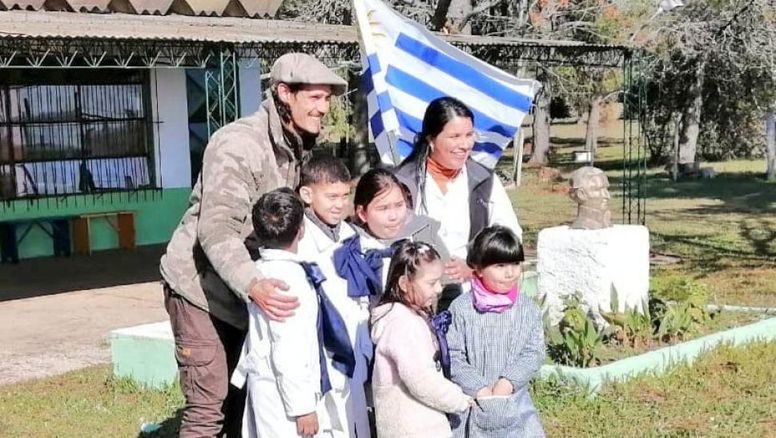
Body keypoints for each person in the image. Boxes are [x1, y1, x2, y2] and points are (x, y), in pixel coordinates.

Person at [159, 52, 347, 436]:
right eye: (315, 97)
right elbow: (217, 229)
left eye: (327, 99)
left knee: (241, 403)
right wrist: (253, 284)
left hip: (248, 296)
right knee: (207, 410)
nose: (324, 108)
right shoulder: (238, 144)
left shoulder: (299, 146)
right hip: (201, 290)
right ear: (284, 93)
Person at [393, 96, 522, 309]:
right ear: (431, 139)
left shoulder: (483, 181)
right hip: (414, 300)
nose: (465, 145)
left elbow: (510, 236)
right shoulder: (403, 182)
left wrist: (476, 268)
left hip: (470, 299)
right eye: (454, 136)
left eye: (469, 135)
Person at [231, 188, 334, 437]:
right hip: (286, 398)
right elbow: (288, 347)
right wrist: (303, 407)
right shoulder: (289, 282)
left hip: (268, 385)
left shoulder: (259, 271)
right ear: (301, 230)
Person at [296, 155, 370, 438]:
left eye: (345, 195)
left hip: (353, 347)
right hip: (318, 351)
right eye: (331, 197)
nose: (340, 204)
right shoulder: (298, 242)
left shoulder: (352, 236)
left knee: (353, 421)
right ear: (307, 194)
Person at [446, 226, 545, 438]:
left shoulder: (527, 309)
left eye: (515, 264)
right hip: (472, 402)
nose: (510, 273)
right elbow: (453, 355)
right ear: (478, 268)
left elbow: (533, 352)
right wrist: (479, 388)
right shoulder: (461, 309)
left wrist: (507, 383)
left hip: (515, 401)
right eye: (500, 265)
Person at [370, 241, 473, 438]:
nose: (439, 289)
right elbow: (421, 379)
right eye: (431, 283)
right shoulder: (404, 324)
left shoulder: (410, 316)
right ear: (403, 283)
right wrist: (459, 400)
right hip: (415, 428)